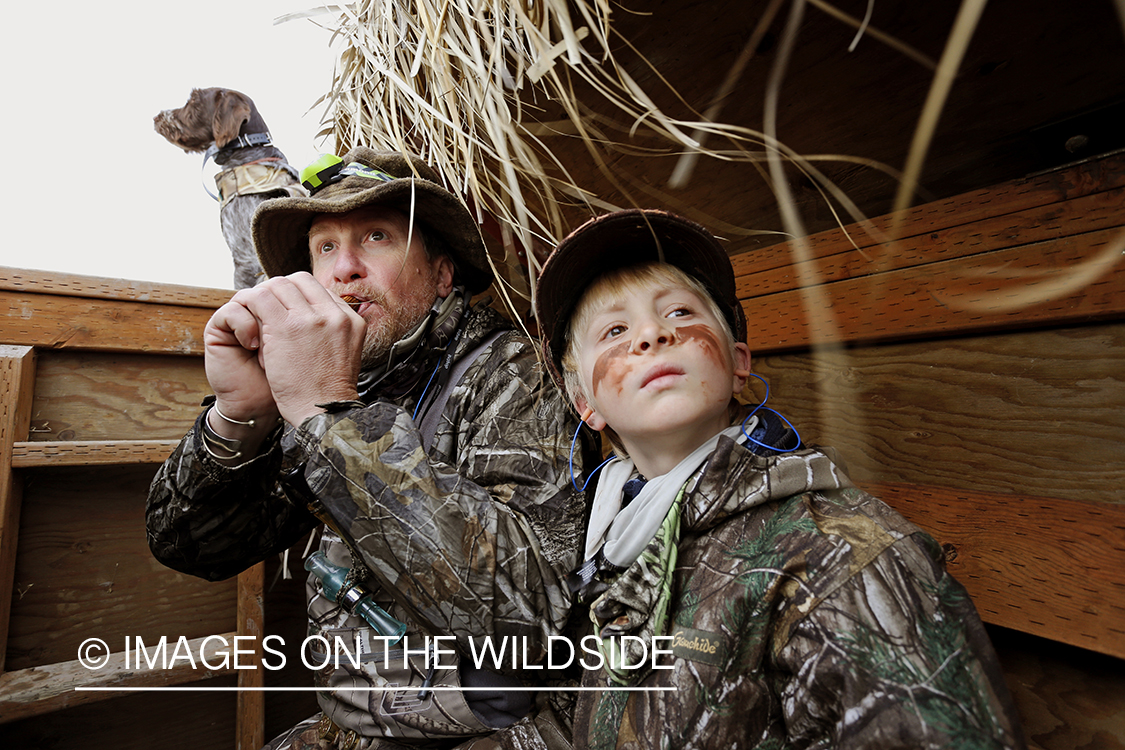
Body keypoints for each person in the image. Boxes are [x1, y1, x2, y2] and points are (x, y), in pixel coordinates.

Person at [146, 147, 598, 750]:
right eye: (325, 246)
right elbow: (191, 545)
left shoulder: (511, 374)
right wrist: (240, 415)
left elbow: (529, 621)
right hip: (346, 727)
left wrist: (329, 417)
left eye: (377, 237)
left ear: (442, 276)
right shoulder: (327, 377)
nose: (345, 269)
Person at [533, 208, 1027, 750]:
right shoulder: (606, 539)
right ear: (585, 404)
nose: (653, 333)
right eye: (616, 330)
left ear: (739, 361)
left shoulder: (838, 558)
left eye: (678, 311)